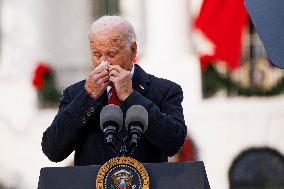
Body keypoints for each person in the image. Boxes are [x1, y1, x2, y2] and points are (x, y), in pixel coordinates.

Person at [41, 16, 187, 166]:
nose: (103, 63)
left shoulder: (165, 90)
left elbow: (174, 143)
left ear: (133, 50)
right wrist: (88, 97)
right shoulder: (75, 94)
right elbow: (53, 150)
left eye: (112, 54)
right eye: (97, 55)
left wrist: (131, 96)